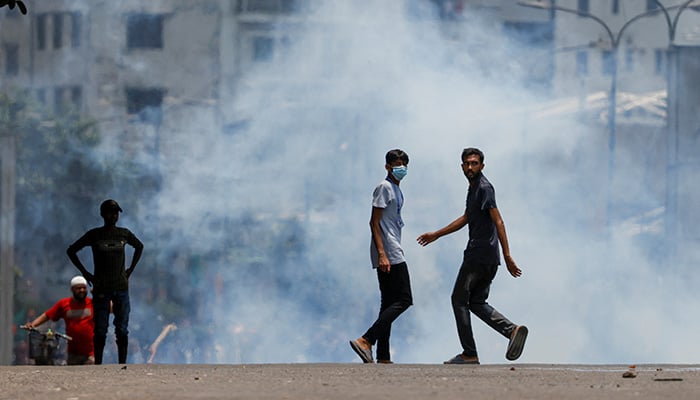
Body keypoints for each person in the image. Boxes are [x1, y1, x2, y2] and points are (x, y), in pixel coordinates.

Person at [417, 148, 527, 364]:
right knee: (476, 301)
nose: (470, 167)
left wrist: (508, 255)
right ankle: (511, 330)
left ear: (482, 166)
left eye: (474, 163)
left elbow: (499, 221)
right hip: (488, 257)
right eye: (467, 164)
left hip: (479, 254)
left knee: (458, 299)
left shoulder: (484, 188)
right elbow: (467, 217)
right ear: (462, 167)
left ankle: (469, 353)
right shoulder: (474, 188)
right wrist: (437, 235)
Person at [350, 149, 413, 364]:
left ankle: (382, 355)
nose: (401, 167)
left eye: (404, 163)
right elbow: (373, 222)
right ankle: (366, 340)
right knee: (404, 299)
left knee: (388, 303)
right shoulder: (384, 187)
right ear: (387, 166)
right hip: (389, 251)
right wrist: (382, 254)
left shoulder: (396, 189)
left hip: (391, 248)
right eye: (396, 164)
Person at [67, 199, 144, 364]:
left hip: (121, 287)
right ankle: (99, 364)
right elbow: (71, 250)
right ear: (103, 214)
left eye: (116, 212)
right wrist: (86, 273)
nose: (114, 216)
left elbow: (139, 246)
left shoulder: (124, 233)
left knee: (122, 329)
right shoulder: (95, 235)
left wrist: (130, 270)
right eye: (110, 212)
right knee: (101, 329)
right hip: (101, 288)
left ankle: (122, 363)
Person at [25, 276, 95, 365]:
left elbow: (111, 308)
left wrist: (101, 295)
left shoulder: (93, 303)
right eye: (78, 288)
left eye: (84, 288)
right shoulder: (64, 304)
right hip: (72, 353)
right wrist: (33, 324)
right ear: (72, 289)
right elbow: (47, 315)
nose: (81, 290)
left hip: (90, 353)